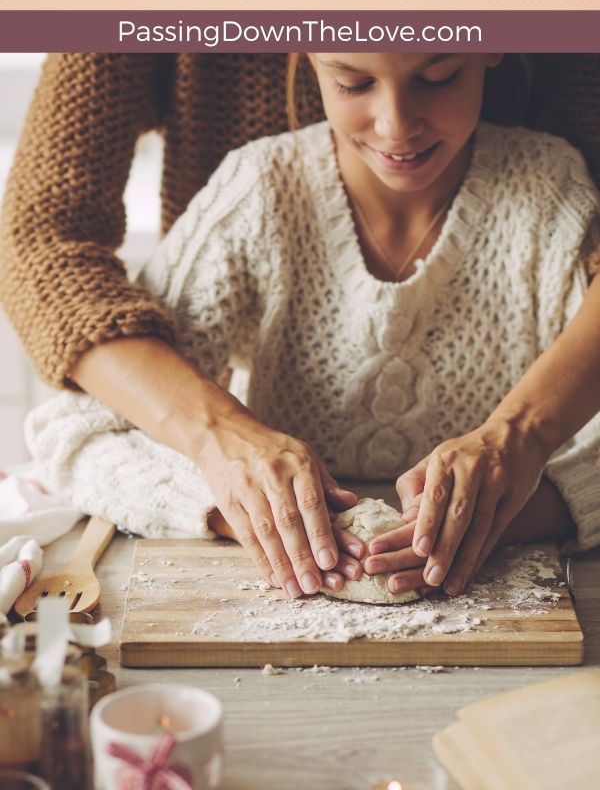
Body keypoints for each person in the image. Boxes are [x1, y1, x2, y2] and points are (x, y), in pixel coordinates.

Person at [16, 52, 600, 601]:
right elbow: (76, 430)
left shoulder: (549, 195)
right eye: (353, 81)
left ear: (492, 50)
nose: (397, 126)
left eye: (440, 76)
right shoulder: (258, 194)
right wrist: (243, 505)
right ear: (303, 55)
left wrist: (505, 506)